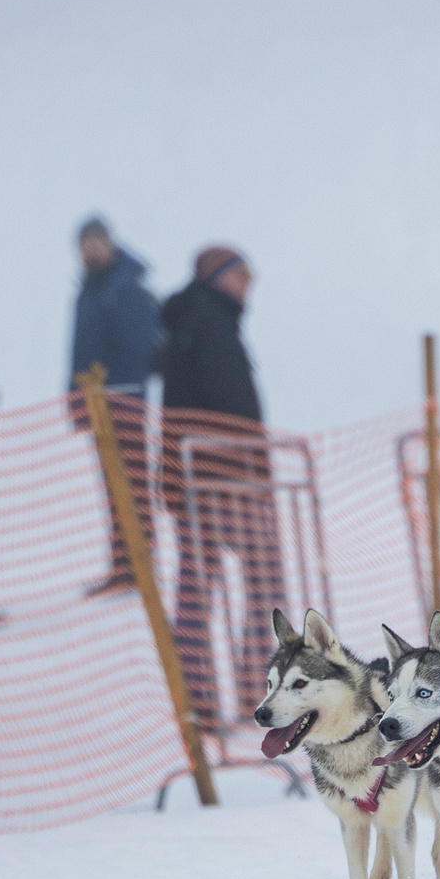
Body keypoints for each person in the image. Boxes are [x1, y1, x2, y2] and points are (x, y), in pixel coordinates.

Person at [158, 244, 282, 724]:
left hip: (194, 477)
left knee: (197, 586)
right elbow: (231, 407)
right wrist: (257, 466)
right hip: (225, 479)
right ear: (216, 278)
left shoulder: (192, 321)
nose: (248, 284)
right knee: (265, 579)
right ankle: (262, 686)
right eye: (240, 274)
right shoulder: (211, 325)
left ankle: (200, 698)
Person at [67, 214, 162, 595]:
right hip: (97, 403)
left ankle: (140, 564)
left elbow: (144, 347)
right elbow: (78, 352)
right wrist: (77, 398)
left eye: (96, 243)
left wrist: (119, 389)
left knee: (132, 485)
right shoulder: (87, 292)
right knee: (112, 485)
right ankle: (123, 564)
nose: (90, 251)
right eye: (84, 245)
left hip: (123, 402)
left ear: (110, 244)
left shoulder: (126, 288)